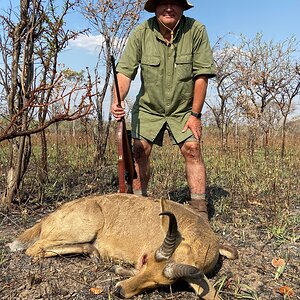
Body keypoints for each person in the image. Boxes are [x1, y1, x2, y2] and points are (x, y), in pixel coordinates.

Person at [111, 0, 216, 220]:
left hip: (184, 108)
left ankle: (199, 208)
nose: (169, 8)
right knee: (139, 150)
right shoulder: (141, 32)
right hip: (150, 108)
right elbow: (124, 73)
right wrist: (116, 100)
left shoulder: (196, 30)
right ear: (155, 7)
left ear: (182, 7)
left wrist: (195, 115)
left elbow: (202, 76)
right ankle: (139, 205)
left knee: (192, 149)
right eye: (163, 3)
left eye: (175, 3)